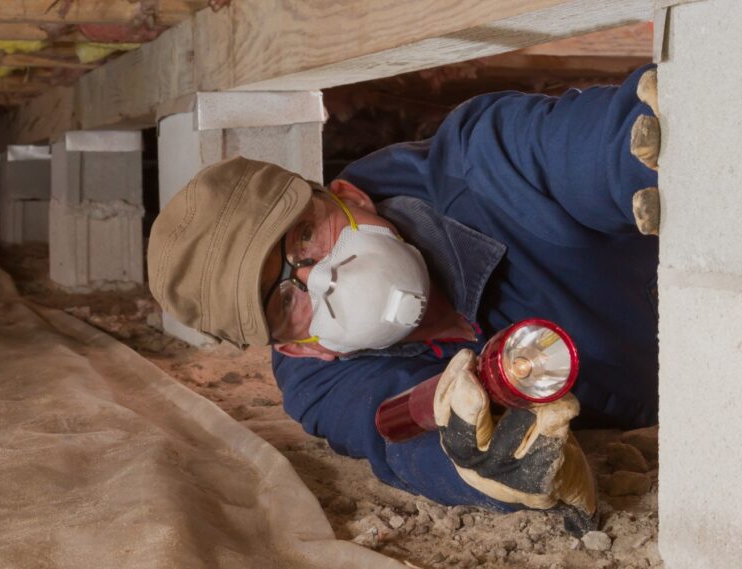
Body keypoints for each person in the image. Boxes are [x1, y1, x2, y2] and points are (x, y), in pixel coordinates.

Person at [147, 65, 661, 534]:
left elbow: (585, 145)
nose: (320, 277)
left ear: (349, 197)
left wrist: (655, 142)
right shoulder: (321, 386)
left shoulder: (481, 166)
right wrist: (476, 465)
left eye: (304, 238)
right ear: (299, 349)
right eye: (284, 301)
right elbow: (396, 437)